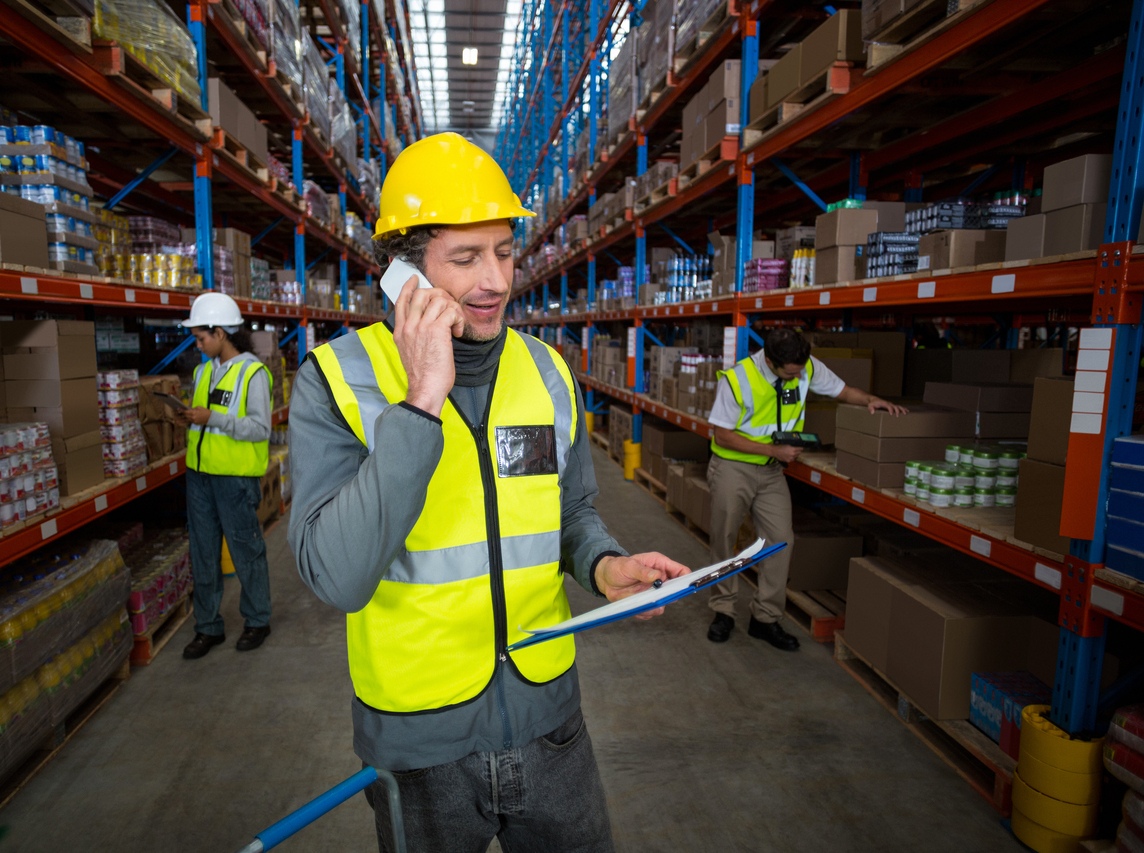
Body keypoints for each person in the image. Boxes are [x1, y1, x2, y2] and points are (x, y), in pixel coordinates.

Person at [287, 132, 691, 852]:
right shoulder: (337, 382)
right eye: (466, 258)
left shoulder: (548, 372)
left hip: (551, 722)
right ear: (404, 275)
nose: (496, 281)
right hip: (420, 745)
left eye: (504, 252)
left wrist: (606, 566)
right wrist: (421, 400)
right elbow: (339, 576)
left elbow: (570, 513)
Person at [704, 328, 908, 650]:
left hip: (771, 473)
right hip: (734, 468)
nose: (800, 376)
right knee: (724, 538)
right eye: (792, 372)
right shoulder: (737, 379)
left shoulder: (805, 365)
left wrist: (871, 400)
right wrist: (775, 451)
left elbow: (842, 391)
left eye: (801, 369)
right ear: (769, 361)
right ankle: (723, 611)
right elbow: (722, 436)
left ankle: (765, 618)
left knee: (781, 542)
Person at [175, 292, 274, 659]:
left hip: (233, 479)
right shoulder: (203, 372)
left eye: (202, 338)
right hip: (199, 476)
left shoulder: (253, 373)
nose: (199, 345)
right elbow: (206, 420)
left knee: (246, 552)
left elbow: (260, 428)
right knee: (203, 554)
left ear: (220, 332)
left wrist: (212, 418)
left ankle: (257, 620)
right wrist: (188, 418)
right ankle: (208, 627)